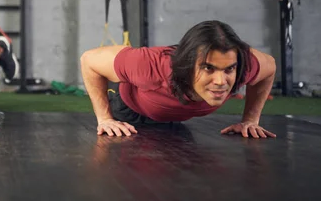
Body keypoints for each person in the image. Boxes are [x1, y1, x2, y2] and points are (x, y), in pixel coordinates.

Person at [80, 20, 277, 138]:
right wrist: (105, 119)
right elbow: (88, 60)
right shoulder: (151, 65)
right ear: (188, 64)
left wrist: (250, 120)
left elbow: (270, 67)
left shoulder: (244, 65)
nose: (220, 81)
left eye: (228, 69)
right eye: (208, 68)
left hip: (170, 116)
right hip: (128, 108)